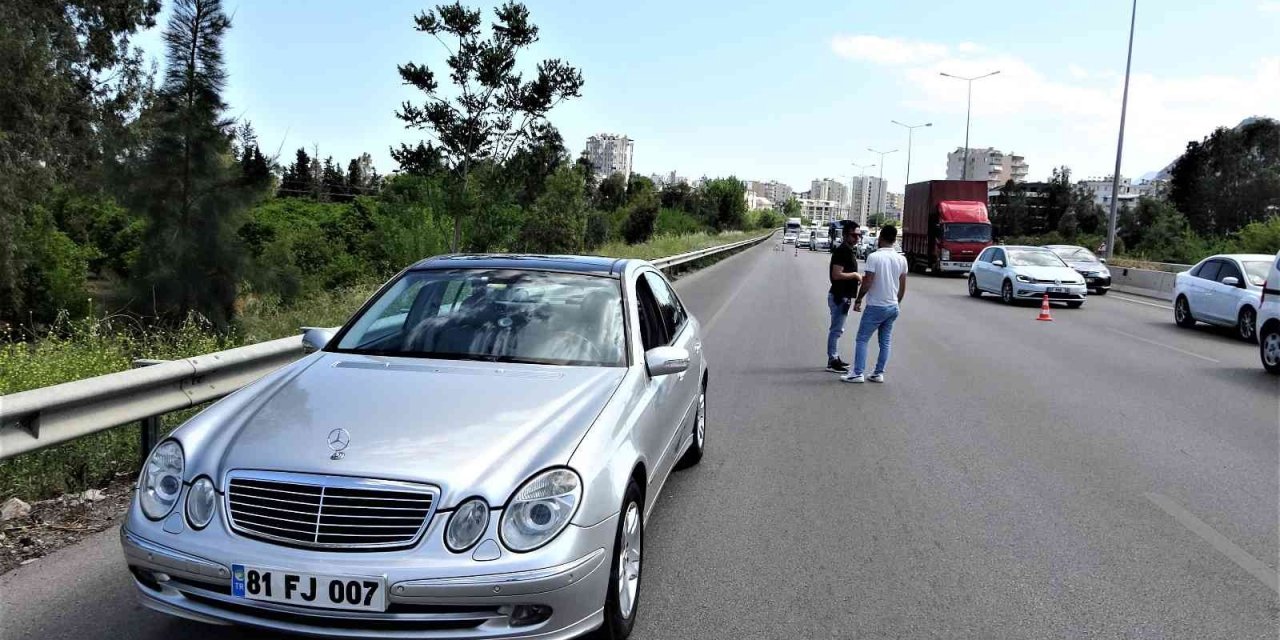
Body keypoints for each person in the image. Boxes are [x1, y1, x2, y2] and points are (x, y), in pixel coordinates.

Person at [843, 224, 908, 383]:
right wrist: (897, 303)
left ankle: (858, 372)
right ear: (894, 239)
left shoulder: (874, 257)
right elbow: (902, 285)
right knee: (885, 341)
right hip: (892, 306)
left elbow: (867, 282)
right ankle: (878, 373)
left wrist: (859, 299)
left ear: (881, 238)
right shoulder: (901, 259)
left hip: (876, 306)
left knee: (862, 339)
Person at [826, 222, 862, 373]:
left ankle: (835, 357)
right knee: (836, 330)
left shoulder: (848, 250)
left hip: (844, 295)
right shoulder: (843, 251)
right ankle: (832, 360)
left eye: (859, 235)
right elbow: (836, 274)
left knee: (838, 329)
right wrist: (854, 275)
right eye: (854, 235)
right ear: (846, 235)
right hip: (839, 295)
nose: (857, 238)